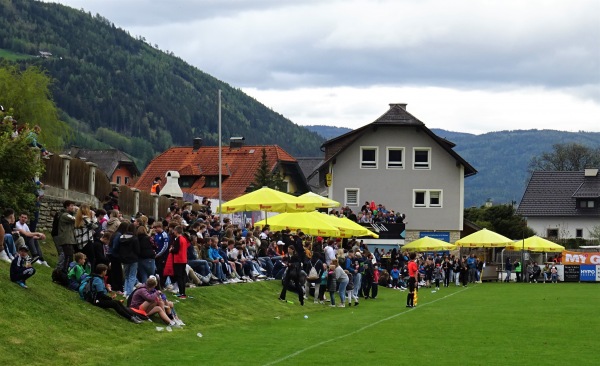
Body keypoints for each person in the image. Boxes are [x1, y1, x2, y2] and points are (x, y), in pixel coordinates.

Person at [79, 264, 143, 324]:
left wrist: (108, 290)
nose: (106, 272)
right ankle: (131, 318)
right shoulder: (97, 280)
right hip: (95, 300)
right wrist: (110, 298)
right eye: (106, 271)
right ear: (103, 271)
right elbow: (100, 294)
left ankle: (133, 316)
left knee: (118, 302)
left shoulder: (97, 278)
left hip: (97, 298)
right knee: (114, 304)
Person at [55, 200, 77, 272]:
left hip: (69, 239)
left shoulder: (68, 214)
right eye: (71, 206)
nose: (73, 207)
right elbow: (75, 219)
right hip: (66, 239)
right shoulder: (65, 215)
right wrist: (76, 212)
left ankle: (64, 272)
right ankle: (64, 272)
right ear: (67, 206)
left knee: (69, 257)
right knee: (68, 257)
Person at [170, 226, 190, 298]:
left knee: (179, 277)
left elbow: (176, 250)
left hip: (178, 260)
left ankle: (181, 293)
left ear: (176, 231)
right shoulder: (184, 239)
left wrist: (171, 250)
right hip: (183, 259)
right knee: (182, 276)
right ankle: (183, 292)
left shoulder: (178, 239)